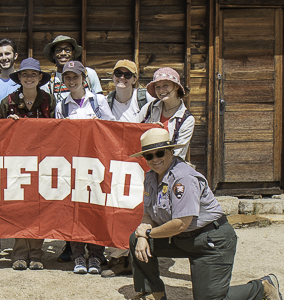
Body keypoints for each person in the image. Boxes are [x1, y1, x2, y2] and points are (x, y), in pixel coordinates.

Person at [127, 127, 283, 300]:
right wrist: (143, 235)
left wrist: (148, 233)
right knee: (136, 239)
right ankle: (153, 293)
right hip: (183, 238)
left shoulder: (183, 177)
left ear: (170, 151)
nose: (154, 159)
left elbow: (181, 223)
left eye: (159, 153)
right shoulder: (151, 177)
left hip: (210, 240)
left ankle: (262, 288)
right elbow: (148, 214)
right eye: (149, 156)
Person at [54, 60, 114, 275]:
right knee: (75, 210)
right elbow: (58, 137)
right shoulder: (62, 106)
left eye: (75, 77)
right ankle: (78, 253)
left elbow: (113, 129)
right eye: (67, 77)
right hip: (73, 166)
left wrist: (100, 126)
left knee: (96, 209)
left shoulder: (98, 101)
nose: (72, 81)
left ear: (84, 78)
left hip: (96, 164)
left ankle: (96, 255)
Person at [0, 58, 56, 270]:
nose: (29, 78)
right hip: (17, 162)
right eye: (25, 74)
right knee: (20, 207)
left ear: (40, 77)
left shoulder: (49, 100)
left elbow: (57, 130)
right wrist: (9, 126)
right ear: (19, 77)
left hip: (43, 161)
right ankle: (20, 253)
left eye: (33, 74)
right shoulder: (7, 102)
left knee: (40, 207)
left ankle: (37, 253)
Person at [101, 60, 155, 277]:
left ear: (135, 79)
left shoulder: (145, 99)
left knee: (138, 209)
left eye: (127, 75)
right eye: (118, 74)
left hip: (140, 164)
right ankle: (118, 256)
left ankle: (137, 255)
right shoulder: (106, 101)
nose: (122, 78)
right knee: (115, 208)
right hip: (114, 163)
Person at [137, 67, 194, 160]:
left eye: (165, 85)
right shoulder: (149, 108)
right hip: (145, 162)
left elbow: (177, 154)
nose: (161, 90)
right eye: (157, 87)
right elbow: (134, 130)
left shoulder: (186, 119)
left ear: (176, 86)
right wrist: (149, 129)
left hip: (169, 167)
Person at [43, 35, 102, 101]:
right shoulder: (49, 83)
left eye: (67, 50)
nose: (63, 53)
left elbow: (100, 100)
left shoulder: (88, 74)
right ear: (53, 55)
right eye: (58, 50)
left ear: (73, 53)